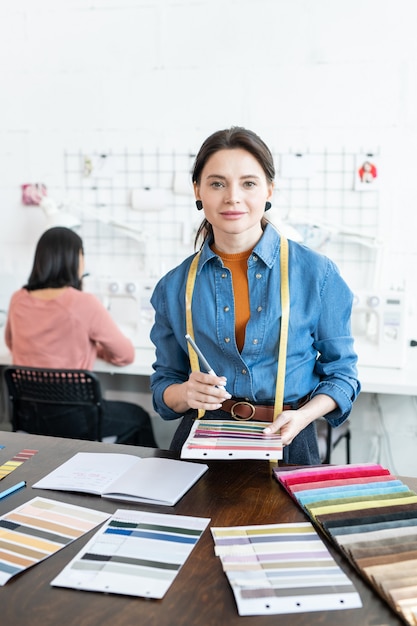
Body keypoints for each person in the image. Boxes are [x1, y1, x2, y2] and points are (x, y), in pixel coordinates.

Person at [150, 126, 360, 464]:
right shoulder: (174, 286)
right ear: (197, 190)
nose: (232, 197)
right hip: (202, 445)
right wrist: (186, 393)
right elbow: (164, 387)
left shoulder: (316, 274)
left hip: (288, 439)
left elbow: (343, 375)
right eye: (217, 183)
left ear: (269, 189)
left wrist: (304, 416)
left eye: (248, 183)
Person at [5, 226, 157, 447]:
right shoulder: (83, 303)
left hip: (29, 417)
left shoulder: (18, 299)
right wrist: (95, 347)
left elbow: (12, 342)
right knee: (139, 418)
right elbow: (125, 355)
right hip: (76, 420)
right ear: (75, 259)